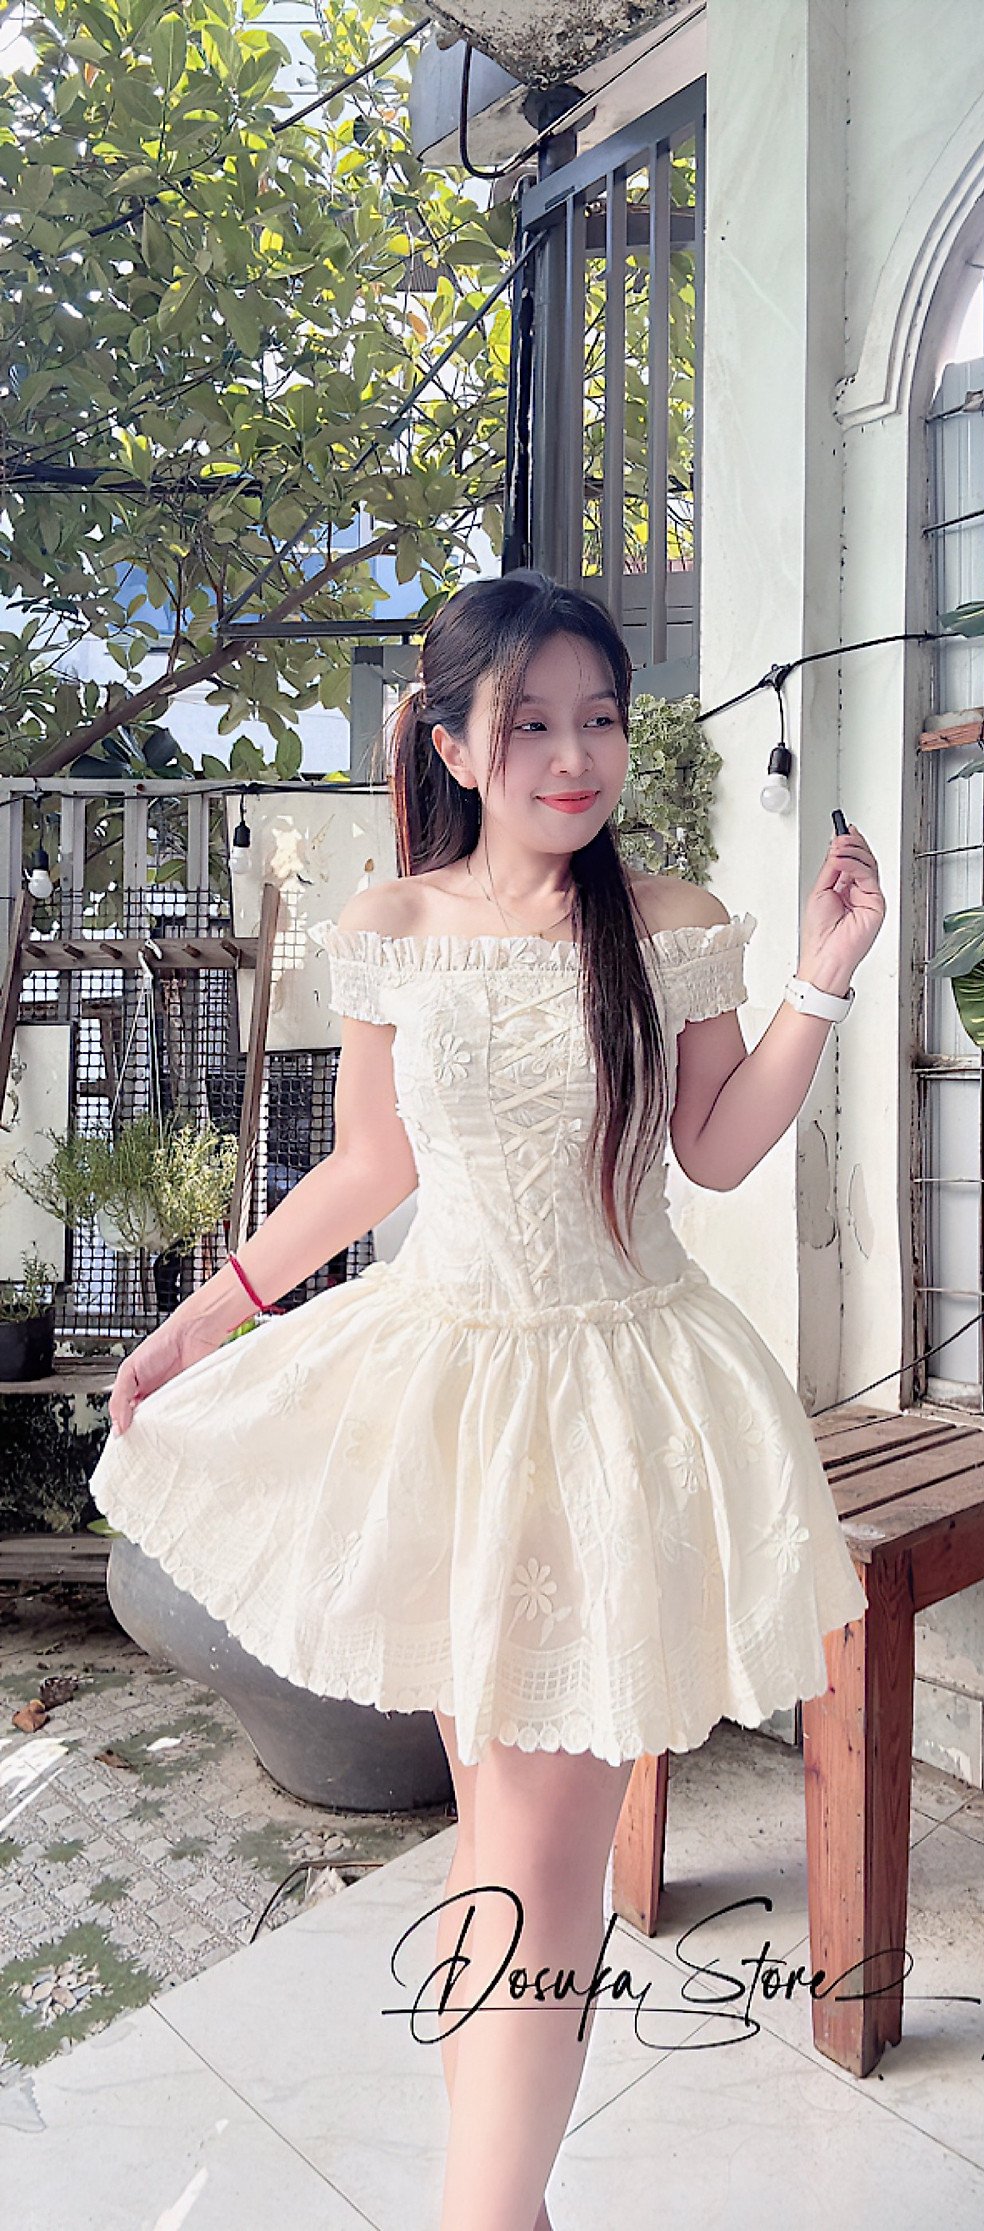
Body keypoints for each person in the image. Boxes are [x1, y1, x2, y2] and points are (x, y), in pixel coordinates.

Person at [90, 569, 886, 2231]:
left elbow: (715, 1149)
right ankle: (504, 2207)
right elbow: (366, 1169)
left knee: (535, 1848)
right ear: (450, 742)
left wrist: (822, 974)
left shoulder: (668, 920)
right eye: (529, 724)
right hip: (446, 1401)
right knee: (496, 1835)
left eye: (598, 719)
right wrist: (204, 1320)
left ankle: (485, 2214)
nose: (573, 757)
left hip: (612, 1405)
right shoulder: (391, 925)